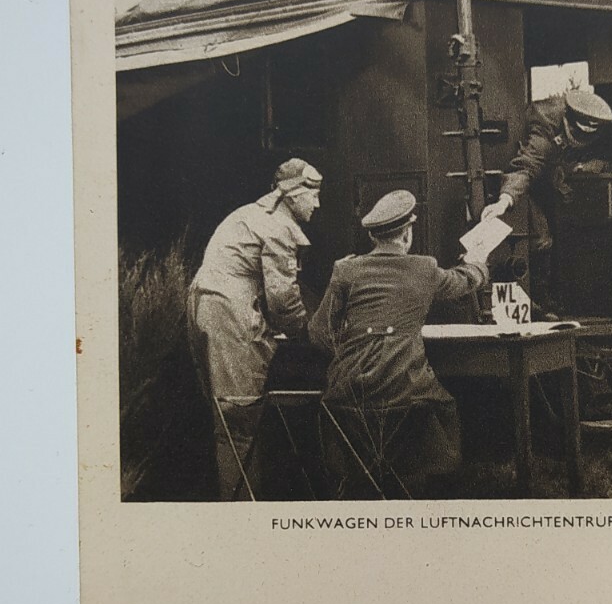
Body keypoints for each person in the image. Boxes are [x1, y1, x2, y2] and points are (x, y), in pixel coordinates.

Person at [308, 190, 488, 498]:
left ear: (373, 236)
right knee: (442, 408)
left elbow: (319, 332)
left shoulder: (345, 270)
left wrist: (353, 351)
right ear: (406, 234)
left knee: (360, 430)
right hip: (405, 389)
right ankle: (429, 486)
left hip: (349, 392)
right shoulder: (424, 268)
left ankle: (365, 482)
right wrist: (479, 264)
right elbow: (463, 282)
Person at [187, 158, 322, 500]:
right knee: (239, 419)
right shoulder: (278, 227)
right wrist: (308, 334)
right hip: (230, 315)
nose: (317, 204)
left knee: (227, 417)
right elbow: (282, 298)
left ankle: (239, 502)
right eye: (313, 195)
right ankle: (243, 511)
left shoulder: (249, 214)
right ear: (293, 194)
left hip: (208, 307)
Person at [480, 86, 612, 310]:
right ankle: (539, 301)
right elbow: (528, 165)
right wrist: (505, 200)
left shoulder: (580, 121)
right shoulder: (545, 123)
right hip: (520, 184)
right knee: (541, 238)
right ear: (568, 122)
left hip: (546, 182)